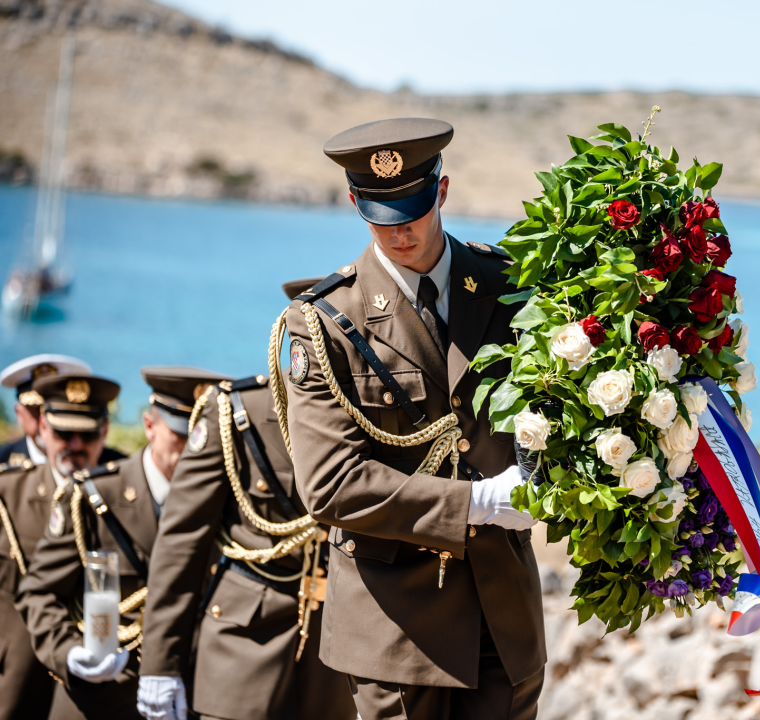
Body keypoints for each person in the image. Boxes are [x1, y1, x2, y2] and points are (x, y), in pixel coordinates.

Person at [280, 118, 545, 720]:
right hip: (396, 633)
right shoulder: (323, 322)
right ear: (354, 203)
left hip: (504, 617)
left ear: (442, 192)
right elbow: (328, 485)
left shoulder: (512, 288)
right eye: (381, 215)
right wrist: (475, 504)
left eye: (414, 211)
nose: (400, 232)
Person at [137, 326, 354, 720]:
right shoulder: (236, 410)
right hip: (242, 652)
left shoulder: (379, 415)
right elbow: (181, 544)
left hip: (335, 657)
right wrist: (160, 665)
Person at [15, 367, 224, 720]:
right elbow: (39, 593)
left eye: (202, 439)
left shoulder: (224, 503)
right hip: (98, 699)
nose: (193, 451)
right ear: (149, 426)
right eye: (180, 437)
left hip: (185, 697)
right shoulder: (93, 495)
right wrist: (67, 652)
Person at [0, 373, 120, 720]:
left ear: (106, 430)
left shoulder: (124, 494)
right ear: (42, 429)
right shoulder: (8, 495)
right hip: (16, 679)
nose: (76, 445)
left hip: (94, 688)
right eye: (64, 433)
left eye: (88, 434)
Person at [0, 354, 126, 467]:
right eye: (37, 409)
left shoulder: (115, 464)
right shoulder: (4, 461)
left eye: (57, 412)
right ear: (19, 413)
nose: (47, 418)